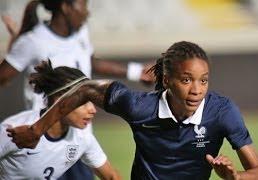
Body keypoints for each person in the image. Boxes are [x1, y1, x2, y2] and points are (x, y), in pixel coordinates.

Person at [7, 41, 258, 180]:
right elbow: (85, 89)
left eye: (204, 80)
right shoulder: (137, 106)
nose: (197, 90)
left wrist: (234, 178)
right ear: (167, 80)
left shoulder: (222, 111)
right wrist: (37, 130)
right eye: (186, 80)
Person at [0, 0, 154, 179]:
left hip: (74, 135)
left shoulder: (81, 33)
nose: (87, 13)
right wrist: (15, 43)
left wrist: (137, 72)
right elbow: (3, 76)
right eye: (83, 6)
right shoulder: (33, 41)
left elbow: (91, 62)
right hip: (41, 136)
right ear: (65, 7)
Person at [0, 60, 122, 180]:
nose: (92, 109)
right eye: (83, 102)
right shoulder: (15, 130)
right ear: (60, 100)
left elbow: (112, 177)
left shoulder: (83, 138)